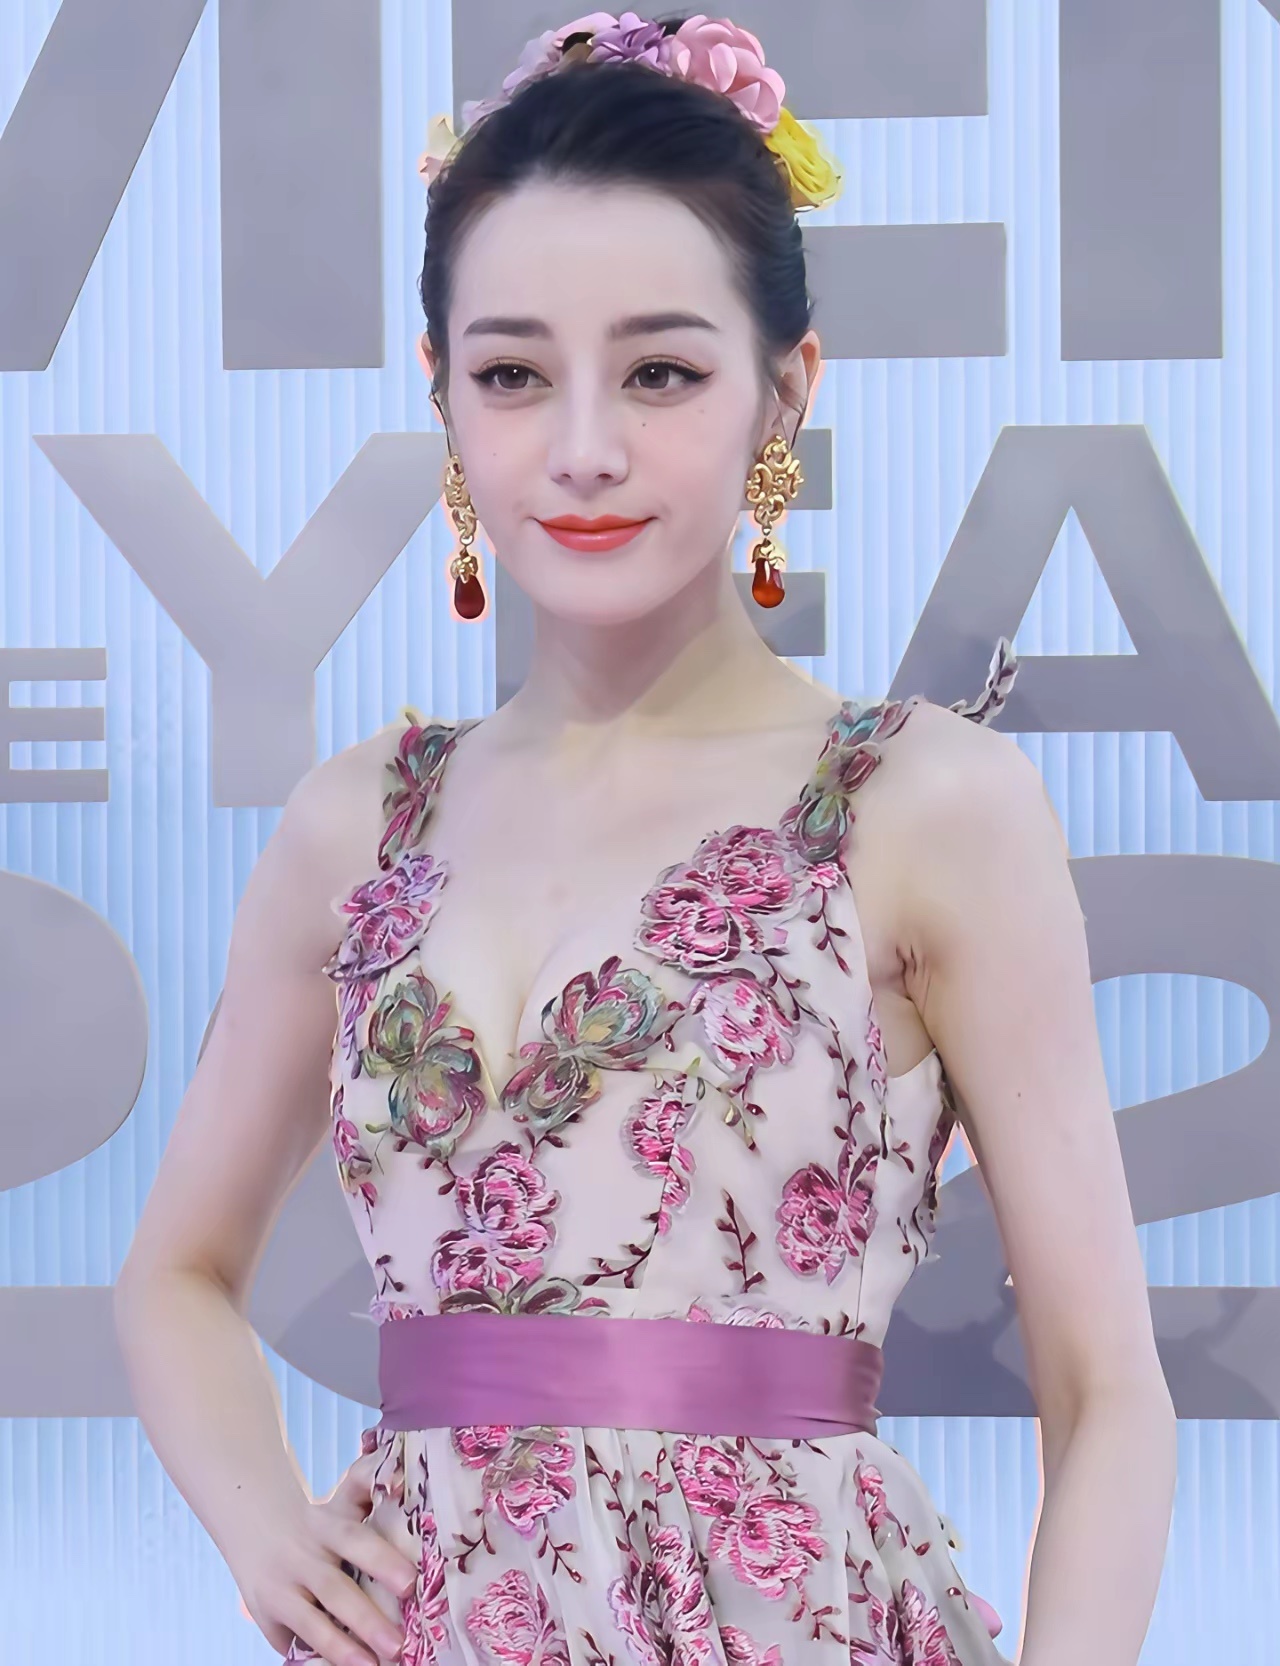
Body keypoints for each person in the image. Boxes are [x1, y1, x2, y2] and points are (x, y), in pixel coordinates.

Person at [113, 12, 1177, 1666]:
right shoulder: (359, 822)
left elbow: (1107, 1390)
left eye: (661, 371)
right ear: (442, 396)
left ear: (785, 388)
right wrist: (268, 1532)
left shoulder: (921, 805)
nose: (584, 447)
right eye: (514, 374)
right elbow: (173, 1272)